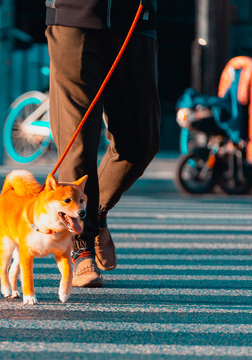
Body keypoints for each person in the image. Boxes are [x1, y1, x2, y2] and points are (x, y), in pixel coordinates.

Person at [45, 0, 160, 287]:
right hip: (74, 17)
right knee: (78, 138)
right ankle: (80, 245)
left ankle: (93, 211)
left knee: (141, 141)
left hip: (135, 19)